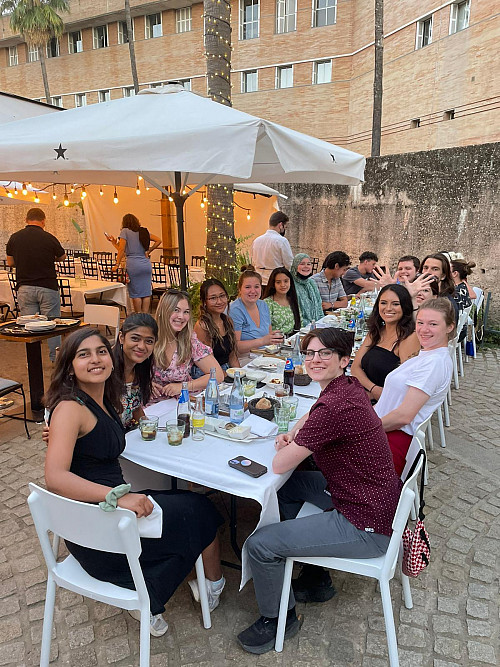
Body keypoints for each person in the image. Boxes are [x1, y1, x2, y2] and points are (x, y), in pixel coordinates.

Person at [44, 328, 225, 637]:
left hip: (103, 520)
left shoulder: (100, 399)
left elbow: (102, 437)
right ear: (69, 365)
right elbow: (55, 477)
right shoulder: (71, 408)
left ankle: (155, 593)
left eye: (101, 351)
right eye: (83, 354)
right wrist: (118, 496)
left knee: (184, 504)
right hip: (104, 534)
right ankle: (209, 586)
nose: (95, 359)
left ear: (111, 357)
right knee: (202, 509)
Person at [237, 327, 402, 654]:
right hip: (372, 496)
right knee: (290, 489)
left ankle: (278, 618)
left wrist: (293, 443)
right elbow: (315, 413)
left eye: (324, 353)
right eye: (310, 353)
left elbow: (280, 464)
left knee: (259, 544)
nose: (315, 359)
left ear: (343, 360)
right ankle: (314, 579)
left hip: (365, 522)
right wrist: (299, 433)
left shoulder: (335, 405)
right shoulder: (347, 386)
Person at [375, 298, 455, 475]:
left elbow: (404, 416)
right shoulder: (427, 355)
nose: (424, 330)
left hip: (389, 442)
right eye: (420, 322)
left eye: (433, 324)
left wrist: (362, 431)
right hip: (383, 432)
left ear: (449, 327)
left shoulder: (433, 363)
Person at [6, 207, 66, 361]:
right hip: (47, 286)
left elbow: (10, 262)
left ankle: (33, 361)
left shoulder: (14, 238)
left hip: (24, 287)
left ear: (26, 220)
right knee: (53, 324)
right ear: (43, 221)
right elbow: (62, 257)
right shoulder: (48, 237)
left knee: (29, 326)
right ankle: (56, 359)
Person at [351, 284, 420, 401]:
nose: (388, 308)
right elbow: (355, 367)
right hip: (367, 395)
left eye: (395, 304)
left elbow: (405, 384)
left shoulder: (409, 338)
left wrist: (376, 394)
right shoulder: (376, 331)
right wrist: (373, 389)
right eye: (383, 303)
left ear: (405, 307)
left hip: (387, 402)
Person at [152, 289, 224, 399]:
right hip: (151, 404)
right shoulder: (149, 338)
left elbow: (218, 375)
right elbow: (127, 371)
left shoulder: (189, 341)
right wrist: (145, 384)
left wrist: (183, 386)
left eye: (186, 312)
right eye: (176, 310)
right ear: (163, 311)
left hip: (181, 401)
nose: (181, 316)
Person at [114, 313, 158, 430]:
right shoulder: (107, 371)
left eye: (149, 341)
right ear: (121, 338)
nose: (141, 346)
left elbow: (136, 408)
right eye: (135, 339)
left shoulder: (140, 370)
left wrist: (150, 429)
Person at [109, 214, 161, 313]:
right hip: (146, 264)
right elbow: (159, 240)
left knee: (136, 293)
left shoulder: (125, 232)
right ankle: (145, 315)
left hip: (134, 265)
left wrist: (117, 264)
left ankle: (138, 315)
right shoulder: (143, 231)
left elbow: (121, 249)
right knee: (146, 292)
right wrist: (149, 250)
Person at [229, 266, 284, 360]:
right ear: (240, 289)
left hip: (265, 354)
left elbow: (269, 333)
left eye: (256, 287)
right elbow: (235, 347)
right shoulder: (235, 310)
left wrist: (273, 338)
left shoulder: (263, 305)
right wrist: (263, 341)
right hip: (245, 358)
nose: (253, 291)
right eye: (247, 287)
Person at [192, 279, 240, 378]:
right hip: (208, 374)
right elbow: (209, 363)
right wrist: (228, 377)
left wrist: (239, 376)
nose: (219, 301)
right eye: (213, 298)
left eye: (222, 296)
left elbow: (232, 356)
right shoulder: (202, 326)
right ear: (204, 302)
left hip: (226, 370)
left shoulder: (227, 321)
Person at [251, 211, 293, 285]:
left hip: (259, 281)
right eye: (285, 227)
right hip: (275, 281)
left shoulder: (256, 240)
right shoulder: (282, 241)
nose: (284, 230)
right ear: (280, 225)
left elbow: (253, 261)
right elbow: (289, 264)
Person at [419, 253, 458, 322]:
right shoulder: (416, 294)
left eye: (435, 269)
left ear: (443, 276)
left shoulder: (447, 305)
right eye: (425, 268)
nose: (428, 272)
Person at [263, 267, 301, 336]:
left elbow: (300, 322)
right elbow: (265, 330)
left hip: (292, 339)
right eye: (278, 282)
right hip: (275, 342)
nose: (283, 285)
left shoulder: (292, 300)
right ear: (273, 284)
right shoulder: (267, 303)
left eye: (286, 281)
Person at [290, 253, 323, 325]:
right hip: (300, 327)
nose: (306, 266)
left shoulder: (311, 283)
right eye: (302, 264)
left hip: (316, 325)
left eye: (308, 264)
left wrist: (321, 323)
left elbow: (319, 304)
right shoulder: (291, 284)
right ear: (295, 266)